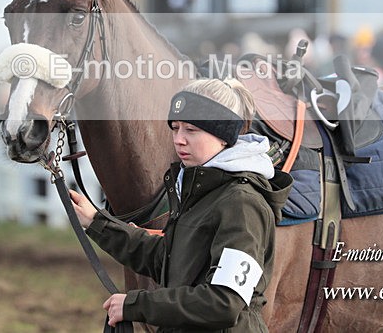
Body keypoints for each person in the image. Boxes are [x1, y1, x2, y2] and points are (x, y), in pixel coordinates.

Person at [70, 78, 293, 332]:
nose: (179, 139)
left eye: (191, 130)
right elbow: (168, 259)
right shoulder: (200, 188)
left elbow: (224, 303)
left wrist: (135, 305)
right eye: (175, 128)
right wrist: (97, 224)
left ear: (223, 136)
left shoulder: (241, 203)